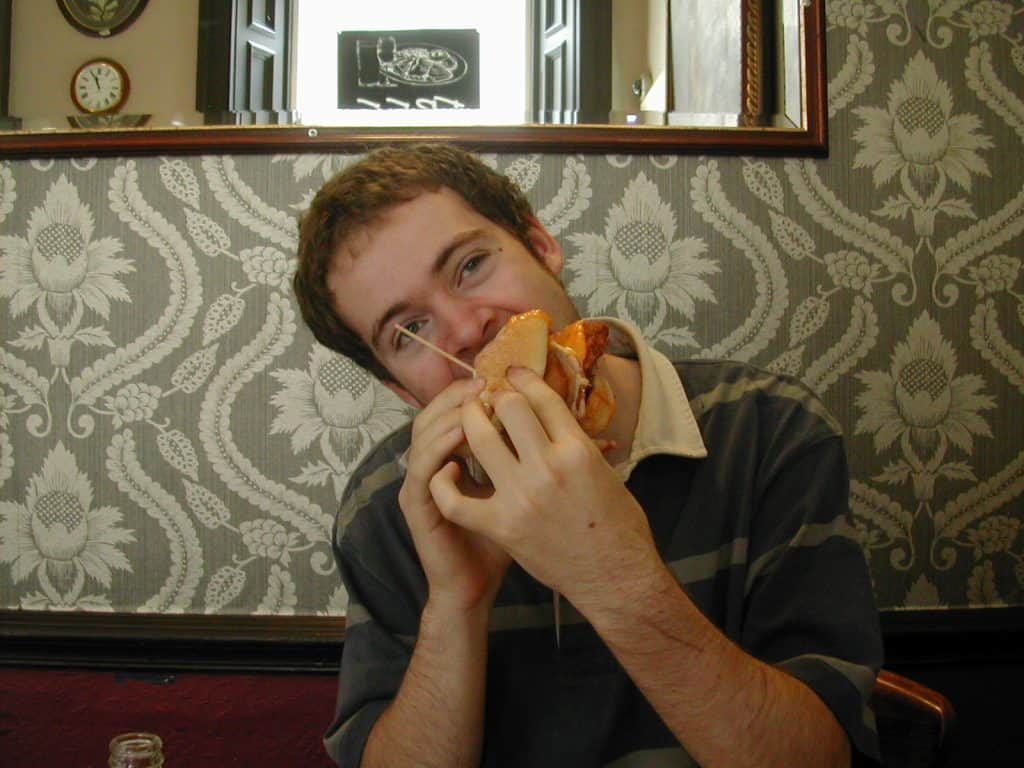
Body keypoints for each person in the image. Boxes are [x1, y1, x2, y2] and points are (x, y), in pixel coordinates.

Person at [294, 143, 884, 768]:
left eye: (469, 266)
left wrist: (610, 574)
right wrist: (457, 600)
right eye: (410, 331)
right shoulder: (392, 501)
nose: (467, 331)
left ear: (541, 245)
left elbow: (820, 757)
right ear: (397, 387)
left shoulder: (770, 428)